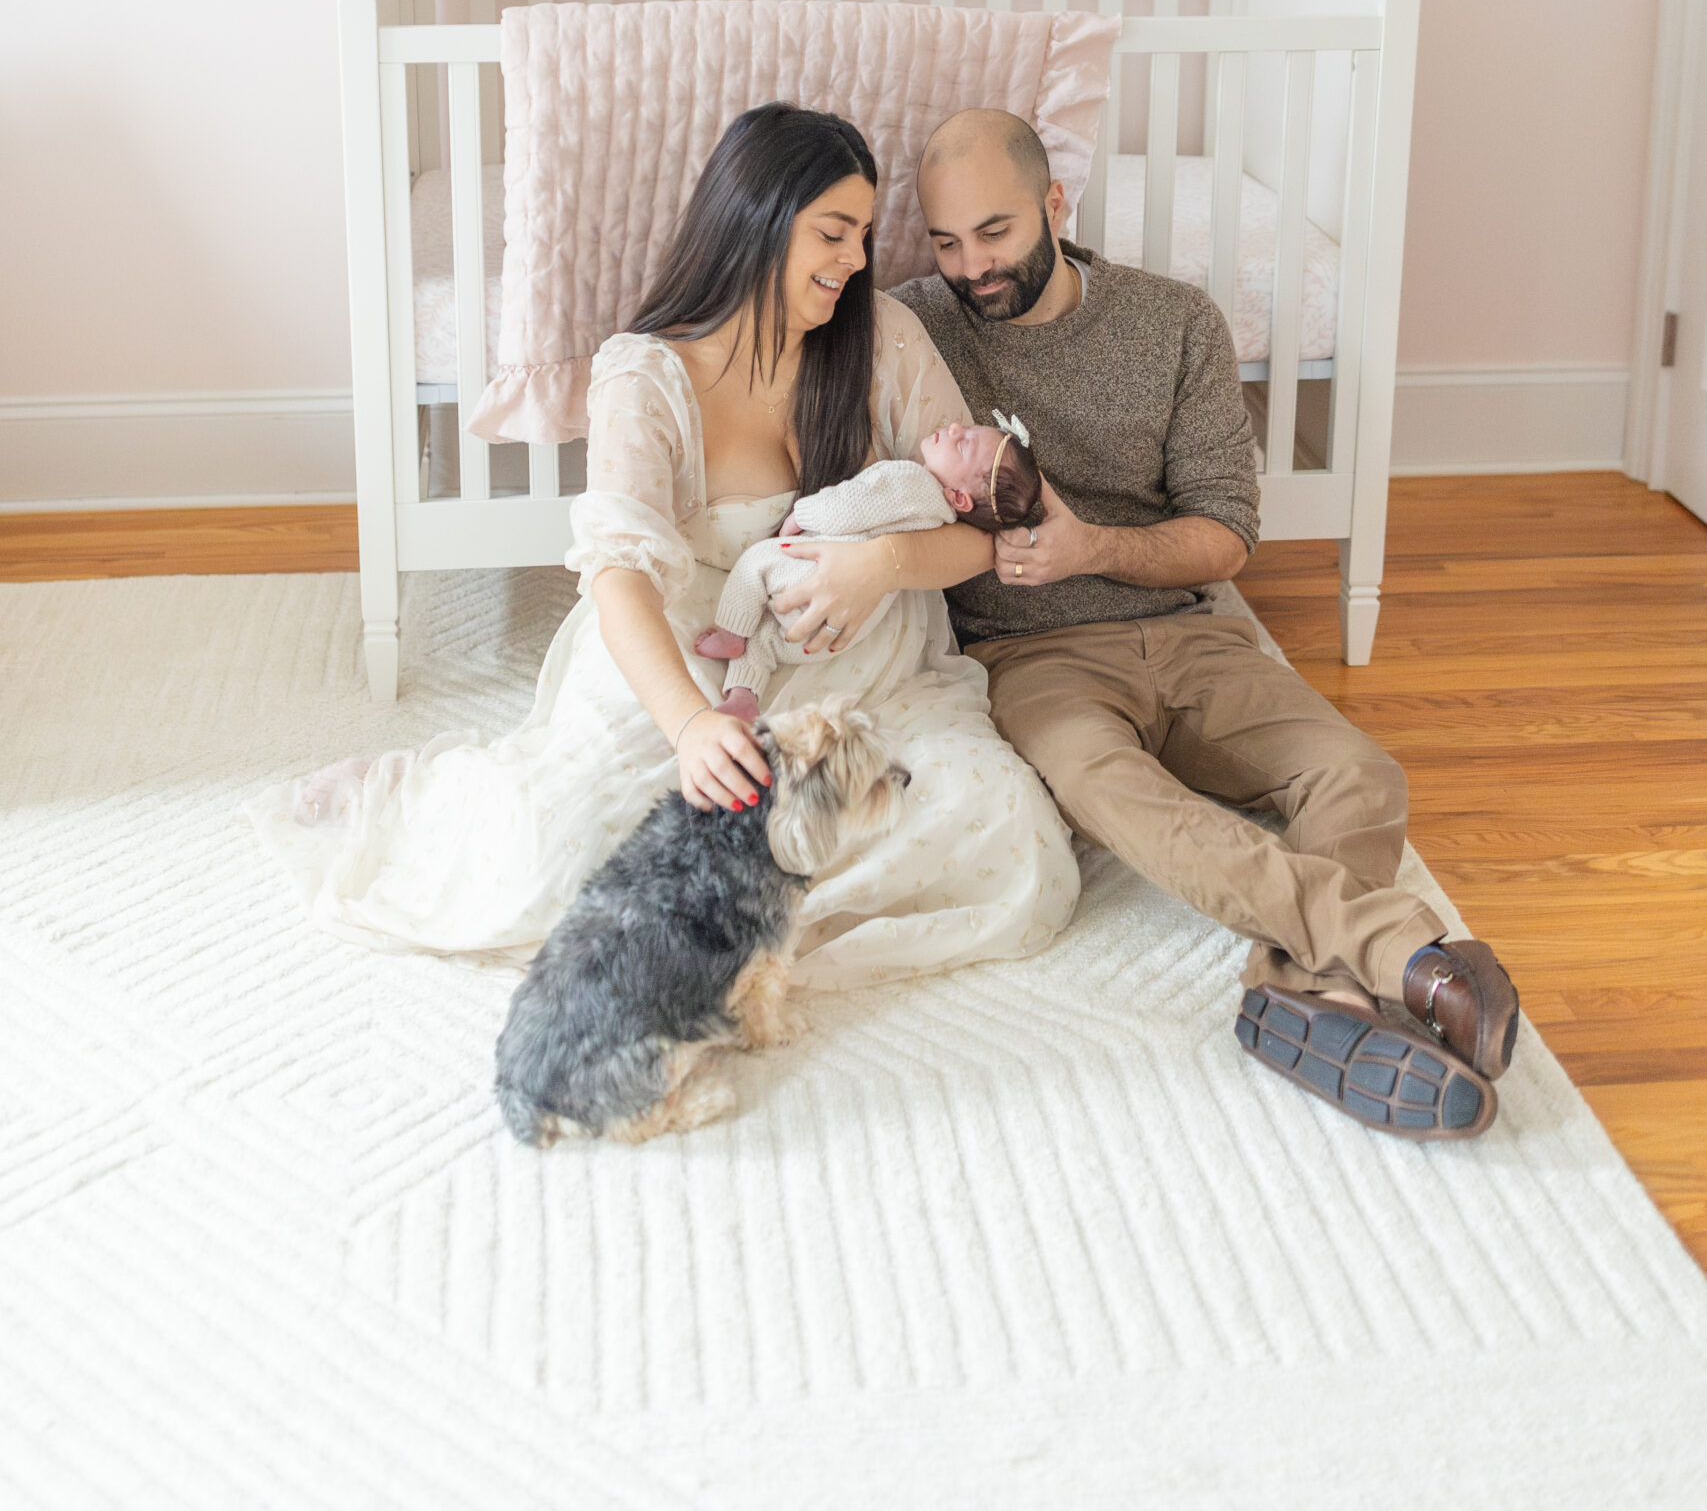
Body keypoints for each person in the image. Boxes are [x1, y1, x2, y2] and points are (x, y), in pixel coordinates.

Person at [247, 104, 1077, 989]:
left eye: (864, 237)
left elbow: (978, 530)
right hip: (691, 656)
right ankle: (429, 801)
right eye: (832, 234)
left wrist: (880, 566)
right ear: (754, 222)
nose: (854, 260)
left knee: (1006, 831)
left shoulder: (883, 339)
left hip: (866, 669)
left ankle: (745, 925)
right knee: (548, 859)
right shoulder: (646, 374)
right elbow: (617, 577)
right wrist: (688, 727)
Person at [888, 107, 1523, 1138]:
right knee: (1115, 791)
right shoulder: (915, 324)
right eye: (947, 240)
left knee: (1363, 774)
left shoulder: (1174, 323)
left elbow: (1227, 536)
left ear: (1057, 203)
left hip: (1191, 629)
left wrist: (1090, 545)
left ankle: (1305, 992)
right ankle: (1394, 948)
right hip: (1032, 652)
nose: (970, 268)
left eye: (995, 233)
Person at [695, 415, 1045, 703]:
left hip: (815, 572)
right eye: (966, 429)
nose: (954, 428)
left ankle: (730, 630)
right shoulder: (940, 521)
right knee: (768, 641)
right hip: (845, 626)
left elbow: (848, 508)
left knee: (757, 562)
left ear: (960, 497)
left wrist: (802, 514)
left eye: (964, 442)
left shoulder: (911, 481)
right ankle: (743, 695)